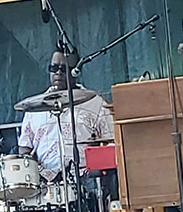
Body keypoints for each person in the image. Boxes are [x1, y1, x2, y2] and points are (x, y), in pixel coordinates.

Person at [18, 46, 115, 182]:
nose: (58, 73)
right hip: (46, 182)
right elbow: (24, 148)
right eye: (54, 68)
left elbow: (111, 141)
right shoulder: (34, 109)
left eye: (64, 69)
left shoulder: (96, 103)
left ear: (76, 71)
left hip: (87, 179)